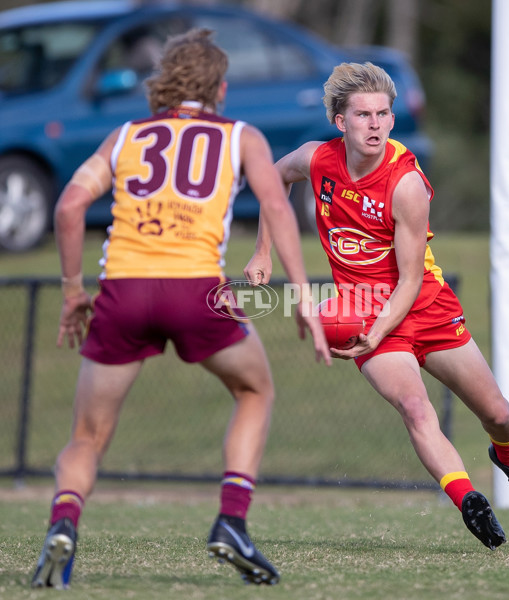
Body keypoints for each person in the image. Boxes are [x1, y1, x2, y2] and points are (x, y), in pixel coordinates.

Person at [31, 28, 331, 590]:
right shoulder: (241, 136)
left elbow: (70, 205)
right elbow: (278, 208)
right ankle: (232, 521)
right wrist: (304, 297)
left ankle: (63, 524)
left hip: (122, 291)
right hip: (196, 291)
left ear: (162, 84)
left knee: (87, 436)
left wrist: (74, 292)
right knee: (254, 390)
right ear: (219, 87)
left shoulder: (125, 136)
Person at [244, 61, 509, 551]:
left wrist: (378, 328)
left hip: (423, 305)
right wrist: (261, 252)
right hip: (365, 308)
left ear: (392, 120)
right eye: (362, 114)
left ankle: (508, 455)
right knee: (415, 407)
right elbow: (273, 182)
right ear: (339, 121)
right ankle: (469, 500)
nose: (373, 124)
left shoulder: (405, 183)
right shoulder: (316, 159)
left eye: (382, 114)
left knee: (497, 413)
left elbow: (410, 279)